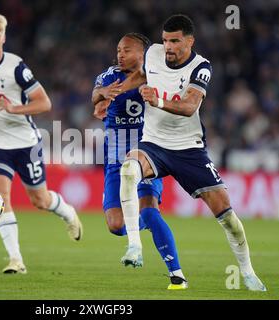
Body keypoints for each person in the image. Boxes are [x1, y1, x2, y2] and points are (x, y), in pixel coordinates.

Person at [118, 14, 266, 291]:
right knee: (128, 169)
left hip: (189, 150)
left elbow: (189, 107)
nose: (168, 47)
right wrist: (110, 94)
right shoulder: (152, 53)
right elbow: (139, 75)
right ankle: (134, 247)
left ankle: (247, 272)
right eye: (165, 41)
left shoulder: (201, 67)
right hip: (154, 145)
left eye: (175, 41)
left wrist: (158, 100)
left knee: (228, 217)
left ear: (189, 41)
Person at [0, 10, 83, 274]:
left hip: (26, 143)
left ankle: (68, 212)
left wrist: (13, 108)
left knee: (39, 200)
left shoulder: (16, 67)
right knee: (0, 198)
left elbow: (45, 102)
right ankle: (16, 260)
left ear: (4, 37)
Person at [92, 33, 187, 289]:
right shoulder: (109, 76)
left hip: (148, 155)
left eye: (127, 50)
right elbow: (95, 99)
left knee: (149, 207)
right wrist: (101, 95)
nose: (120, 54)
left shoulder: (156, 75)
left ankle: (176, 274)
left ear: (142, 54)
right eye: (118, 49)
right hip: (115, 159)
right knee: (115, 225)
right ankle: (139, 222)